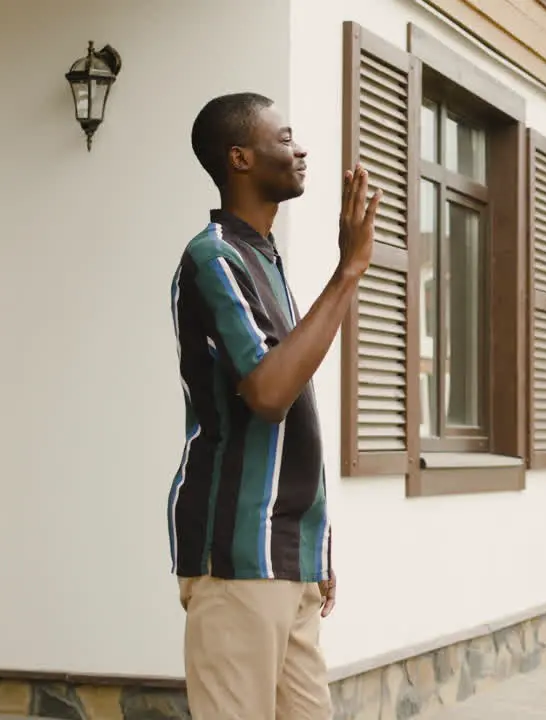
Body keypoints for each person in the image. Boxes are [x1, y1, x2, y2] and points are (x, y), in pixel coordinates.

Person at [167, 92, 380, 719]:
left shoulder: (262, 259)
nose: (301, 148)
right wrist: (348, 272)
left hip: (287, 553)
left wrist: (314, 542)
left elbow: (292, 414)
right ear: (240, 157)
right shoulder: (213, 258)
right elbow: (268, 394)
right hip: (237, 553)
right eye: (284, 138)